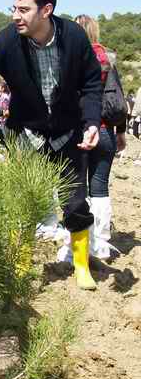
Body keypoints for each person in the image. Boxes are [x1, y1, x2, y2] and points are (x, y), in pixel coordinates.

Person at [0, 0, 103, 290]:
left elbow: (92, 84)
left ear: (46, 10)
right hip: (26, 135)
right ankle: (22, 265)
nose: (16, 15)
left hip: (69, 134)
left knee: (76, 203)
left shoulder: (75, 36)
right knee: (23, 201)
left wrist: (92, 121)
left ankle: (81, 265)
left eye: (24, 9)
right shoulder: (7, 41)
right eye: (13, 8)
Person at [72, 15, 126, 259]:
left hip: (82, 129)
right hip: (106, 132)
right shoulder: (109, 60)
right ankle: (102, 242)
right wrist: (122, 132)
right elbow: (118, 97)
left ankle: (82, 240)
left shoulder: (74, 58)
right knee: (100, 187)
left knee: (77, 189)